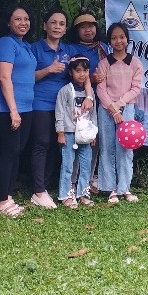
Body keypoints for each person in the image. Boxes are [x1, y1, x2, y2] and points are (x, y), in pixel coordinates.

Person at [29, 9, 79, 208]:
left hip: (64, 107)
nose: (57, 27)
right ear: (45, 26)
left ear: (65, 29)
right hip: (40, 103)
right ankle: (38, 190)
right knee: (41, 143)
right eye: (53, 22)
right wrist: (49, 70)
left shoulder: (69, 51)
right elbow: (26, 77)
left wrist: (88, 94)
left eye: (61, 24)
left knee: (56, 144)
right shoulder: (35, 49)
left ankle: (47, 186)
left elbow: (81, 72)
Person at [0, 5, 37, 218]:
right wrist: (13, 110)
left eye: (26, 19)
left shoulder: (25, 45)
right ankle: (2, 201)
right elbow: (4, 77)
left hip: (26, 107)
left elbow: (28, 75)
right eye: (18, 19)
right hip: (9, 108)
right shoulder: (6, 43)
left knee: (16, 151)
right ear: (8, 23)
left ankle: (9, 196)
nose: (23, 23)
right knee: (9, 151)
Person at [96, 22, 145, 203]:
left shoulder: (135, 63)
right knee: (107, 147)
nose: (118, 41)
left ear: (127, 39)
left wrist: (119, 105)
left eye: (122, 37)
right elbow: (100, 89)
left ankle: (125, 188)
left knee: (125, 148)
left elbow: (135, 88)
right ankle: (111, 189)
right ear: (109, 41)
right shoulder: (104, 63)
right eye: (114, 38)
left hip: (127, 108)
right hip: (106, 110)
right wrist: (112, 108)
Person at [71, 11, 108, 192]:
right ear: (76, 31)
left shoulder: (104, 47)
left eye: (91, 26)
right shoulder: (72, 49)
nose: (88, 30)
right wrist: (91, 80)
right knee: (78, 138)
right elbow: (71, 75)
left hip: (103, 100)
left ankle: (90, 177)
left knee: (95, 139)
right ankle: (73, 180)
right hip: (81, 100)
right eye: (83, 27)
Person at [55, 56, 96, 208]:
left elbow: (93, 115)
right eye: (77, 70)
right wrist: (60, 132)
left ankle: (83, 194)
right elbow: (59, 113)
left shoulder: (90, 93)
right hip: (69, 133)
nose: (82, 74)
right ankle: (65, 195)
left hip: (85, 134)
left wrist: (94, 134)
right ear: (70, 72)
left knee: (86, 164)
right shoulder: (65, 91)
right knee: (68, 165)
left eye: (85, 70)